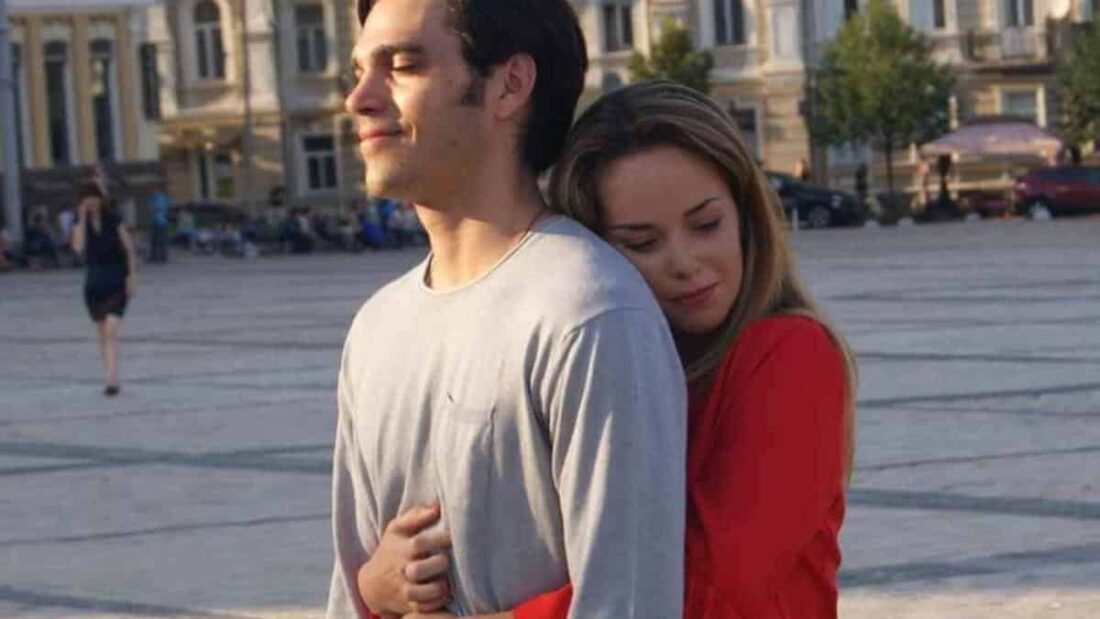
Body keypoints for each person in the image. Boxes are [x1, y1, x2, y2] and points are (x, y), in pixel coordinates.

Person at [362, 81, 858, 618]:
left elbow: (708, 586)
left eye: (706, 225)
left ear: (746, 217)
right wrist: (378, 581)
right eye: (642, 242)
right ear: (594, 251)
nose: (684, 262)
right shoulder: (594, 359)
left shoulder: (791, 353)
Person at [329, 2, 687, 618]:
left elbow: (627, 602)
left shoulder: (588, 313)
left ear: (509, 85)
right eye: (361, 71)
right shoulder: (376, 328)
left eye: (404, 66)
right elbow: (352, 593)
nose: (359, 99)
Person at [71, 184, 138, 396]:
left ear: (100, 199)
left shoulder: (113, 220)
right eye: (86, 198)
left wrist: (132, 275)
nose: (91, 202)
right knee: (102, 334)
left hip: (116, 280)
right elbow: (78, 247)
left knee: (111, 330)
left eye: (94, 197)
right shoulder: (80, 223)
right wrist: (82, 218)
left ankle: (112, 378)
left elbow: (129, 248)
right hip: (94, 283)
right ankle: (110, 378)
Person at [148, 190, 170, 263]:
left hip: (160, 222)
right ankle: (155, 257)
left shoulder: (160, 198)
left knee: (160, 240)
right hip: (155, 221)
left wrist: (152, 207)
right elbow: (150, 204)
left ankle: (161, 257)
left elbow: (158, 208)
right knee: (154, 240)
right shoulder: (154, 197)